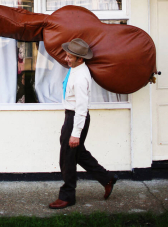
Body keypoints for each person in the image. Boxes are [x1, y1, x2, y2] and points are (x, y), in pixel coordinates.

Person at [49, 38, 119, 209]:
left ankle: (67, 196)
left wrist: (75, 133)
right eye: (67, 55)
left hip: (76, 117)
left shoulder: (81, 77)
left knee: (67, 157)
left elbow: (81, 108)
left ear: (80, 59)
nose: (66, 59)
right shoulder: (75, 68)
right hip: (72, 116)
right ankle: (106, 178)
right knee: (77, 154)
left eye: (70, 57)